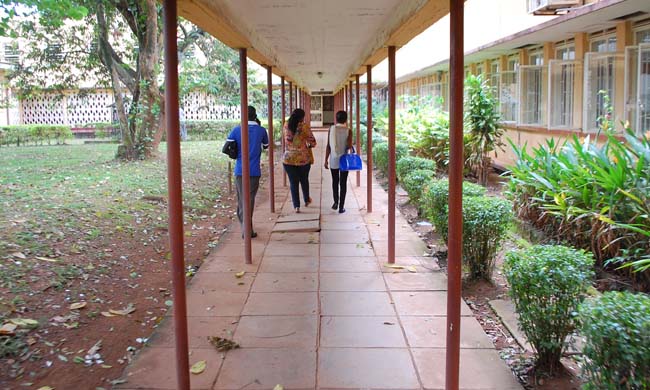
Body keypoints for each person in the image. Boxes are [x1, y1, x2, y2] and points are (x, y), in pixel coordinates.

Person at [227, 106, 269, 238]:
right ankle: (247, 229)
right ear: (255, 115)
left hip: (240, 170)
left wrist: (235, 154)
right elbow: (266, 146)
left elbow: (225, 148)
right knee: (249, 200)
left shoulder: (236, 130)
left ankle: (246, 228)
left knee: (241, 200)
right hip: (254, 170)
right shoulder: (261, 130)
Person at [282, 108, 316, 213]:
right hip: (303, 159)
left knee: (293, 182)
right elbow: (313, 142)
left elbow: (286, 139)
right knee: (304, 180)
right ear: (302, 117)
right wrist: (308, 145)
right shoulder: (304, 126)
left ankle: (296, 206)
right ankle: (306, 200)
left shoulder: (286, 125)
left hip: (288, 159)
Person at [324, 110, 352, 213]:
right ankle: (341, 207)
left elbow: (328, 146)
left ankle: (335, 202)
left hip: (333, 159)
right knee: (343, 183)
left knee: (335, 181)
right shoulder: (348, 130)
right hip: (344, 160)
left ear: (336, 119)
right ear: (346, 119)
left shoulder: (331, 129)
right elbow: (349, 146)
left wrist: (325, 160)